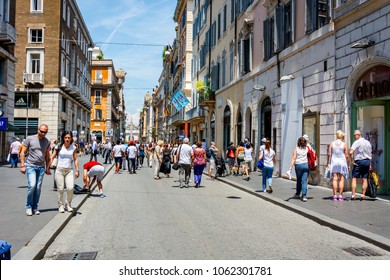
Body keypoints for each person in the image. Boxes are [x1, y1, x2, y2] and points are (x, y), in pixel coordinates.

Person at [20, 124, 52, 216]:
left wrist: (47, 168)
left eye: (45, 132)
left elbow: (47, 156)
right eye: (41, 131)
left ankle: (35, 207)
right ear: (38, 130)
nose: (43, 134)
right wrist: (22, 165)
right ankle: (28, 207)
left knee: (38, 188)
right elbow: (22, 152)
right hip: (30, 165)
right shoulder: (30, 138)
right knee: (32, 186)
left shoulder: (47, 141)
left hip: (41, 167)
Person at [50, 131, 79, 213]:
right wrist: (48, 167)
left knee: (70, 188)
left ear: (71, 139)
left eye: (69, 138)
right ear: (63, 138)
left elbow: (76, 159)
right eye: (65, 137)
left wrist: (77, 170)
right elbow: (52, 157)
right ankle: (61, 205)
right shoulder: (58, 146)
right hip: (59, 170)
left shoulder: (73, 148)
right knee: (60, 189)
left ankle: (68, 204)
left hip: (69, 170)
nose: (67, 139)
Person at [327, 130, 349, 201]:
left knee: (335, 178)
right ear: (342, 136)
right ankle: (340, 195)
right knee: (341, 179)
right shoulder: (344, 144)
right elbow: (346, 155)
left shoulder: (332, 143)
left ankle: (334, 195)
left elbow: (329, 154)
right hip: (342, 162)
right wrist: (348, 164)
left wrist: (328, 163)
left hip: (334, 162)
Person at [350, 129, 372, 200]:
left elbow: (351, 152)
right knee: (365, 179)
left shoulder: (356, 142)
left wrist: (352, 161)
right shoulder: (368, 142)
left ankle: (353, 195)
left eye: (355, 135)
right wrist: (370, 165)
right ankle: (363, 195)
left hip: (359, 162)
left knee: (354, 178)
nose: (354, 137)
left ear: (358, 135)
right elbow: (370, 154)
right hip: (367, 162)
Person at [289, 137, 310, 202]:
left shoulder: (296, 149)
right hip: (306, 165)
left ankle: (298, 194)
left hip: (298, 165)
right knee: (304, 181)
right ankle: (304, 196)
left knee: (298, 180)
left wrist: (290, 167)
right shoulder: (307, 149)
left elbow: (294, 158)